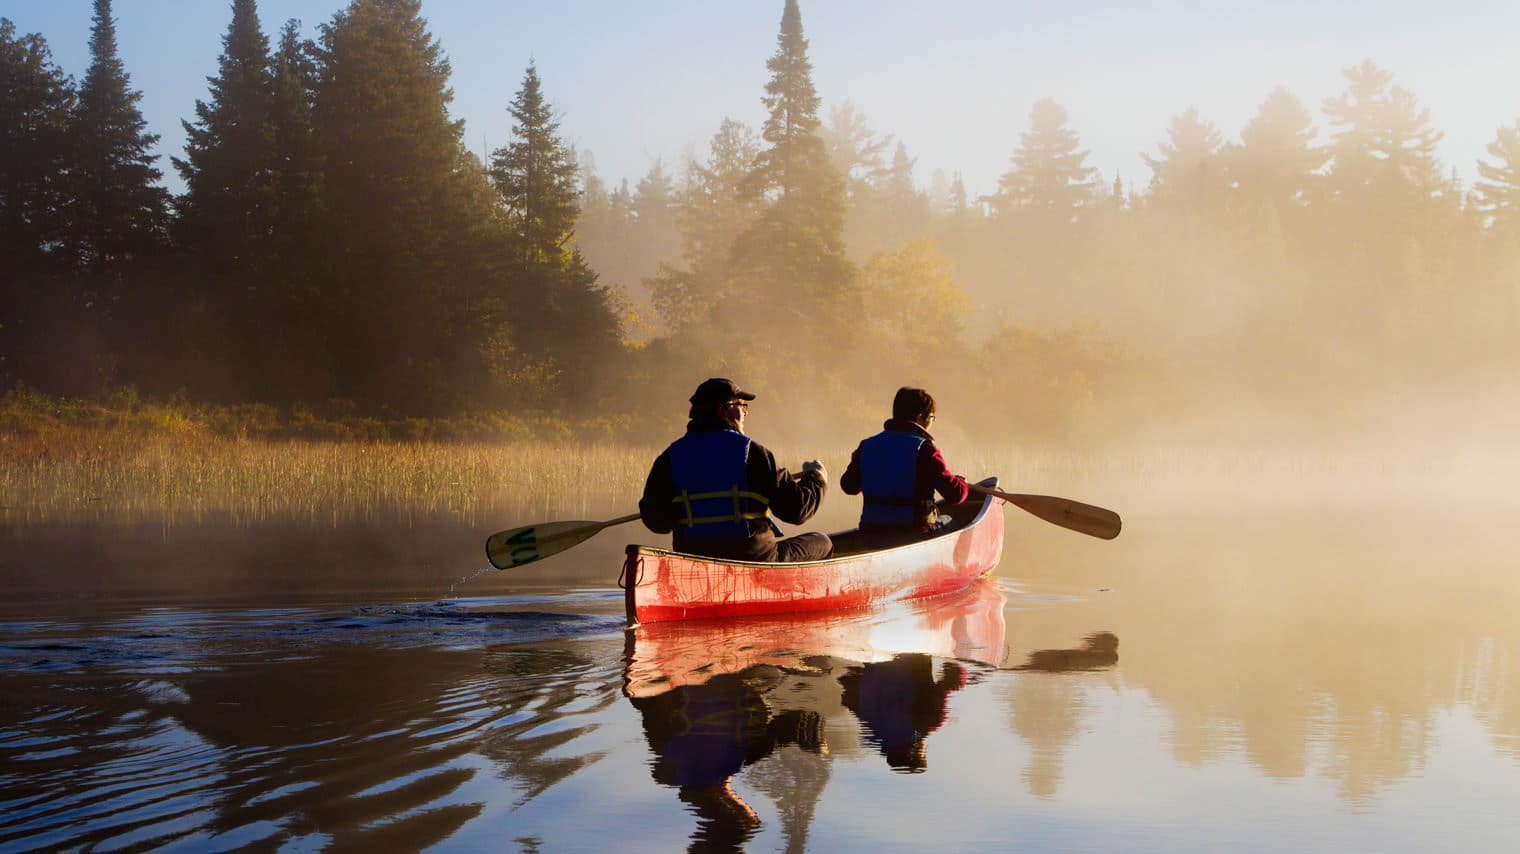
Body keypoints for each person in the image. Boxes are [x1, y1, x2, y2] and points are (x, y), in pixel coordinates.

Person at [640, 378, 833, 562]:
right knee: (823, 542)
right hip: (754, 557)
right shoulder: (755, 454)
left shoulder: (669, 457)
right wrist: (816, 479)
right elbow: (797, 510)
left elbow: (656, 522)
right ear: (723, 410)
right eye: (741, 406)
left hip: (693, 557)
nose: (744, 414)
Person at [840, 387, 970, 537]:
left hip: (871, 532)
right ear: (921, 417)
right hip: (913, 532)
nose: (932, 422)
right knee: (950, 520)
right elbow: (955, 495)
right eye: (932, 417)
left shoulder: (866, 445)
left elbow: (848, 486)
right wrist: (962, 483)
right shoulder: (925, 449)